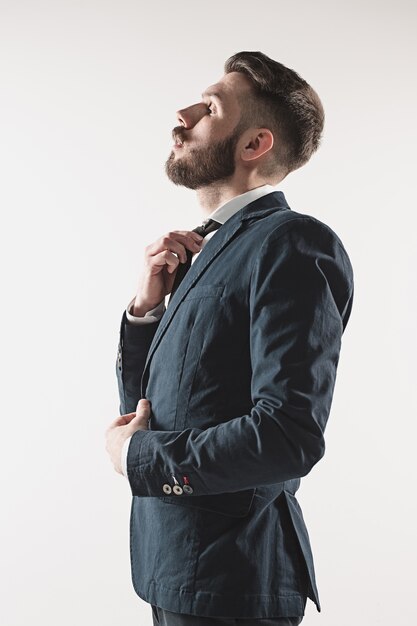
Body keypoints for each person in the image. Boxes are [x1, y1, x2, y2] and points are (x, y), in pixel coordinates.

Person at [105, 51, 354, 625]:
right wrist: (146, 311)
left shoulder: (292, 242)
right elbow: (158, 407)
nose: (184, 113)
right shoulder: (203, 251)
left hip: (236, 579)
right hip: (175, 572)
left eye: (210, 107)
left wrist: (135, 457)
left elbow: (288, 435)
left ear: (253, 145)